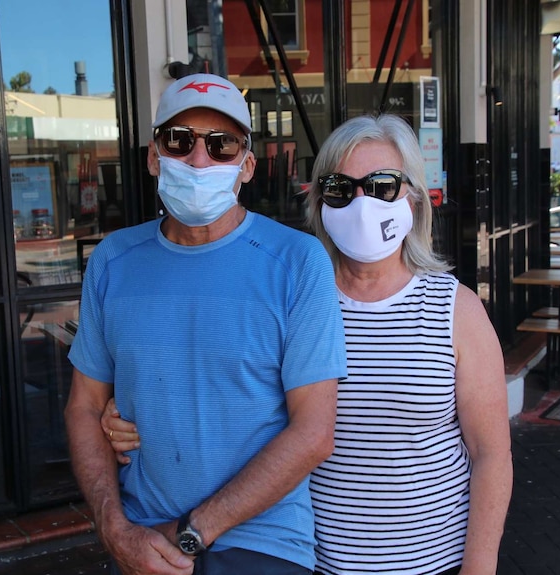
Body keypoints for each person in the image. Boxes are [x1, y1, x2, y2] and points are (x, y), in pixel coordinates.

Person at [104, 113, 513, 574]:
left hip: (432, 563)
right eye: (341, 188)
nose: (362, 202)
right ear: (319, 202)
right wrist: (122, 412)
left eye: (382, 185)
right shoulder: (291, 294)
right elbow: (217, 385)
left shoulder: (453, 310)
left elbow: (491, 453)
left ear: (414, 198)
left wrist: (479, 567)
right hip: (313, 562)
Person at [64, 72, 347, 575]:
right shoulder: (113, 261)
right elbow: (85, 406)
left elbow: (313, 433)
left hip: (262, 543)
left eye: (222, 146)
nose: (198, 160)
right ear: (153, 156)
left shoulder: (297, 261)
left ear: (246, 166)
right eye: (179, 141)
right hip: (140, 539)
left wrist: (190, 533)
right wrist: (112, 525)